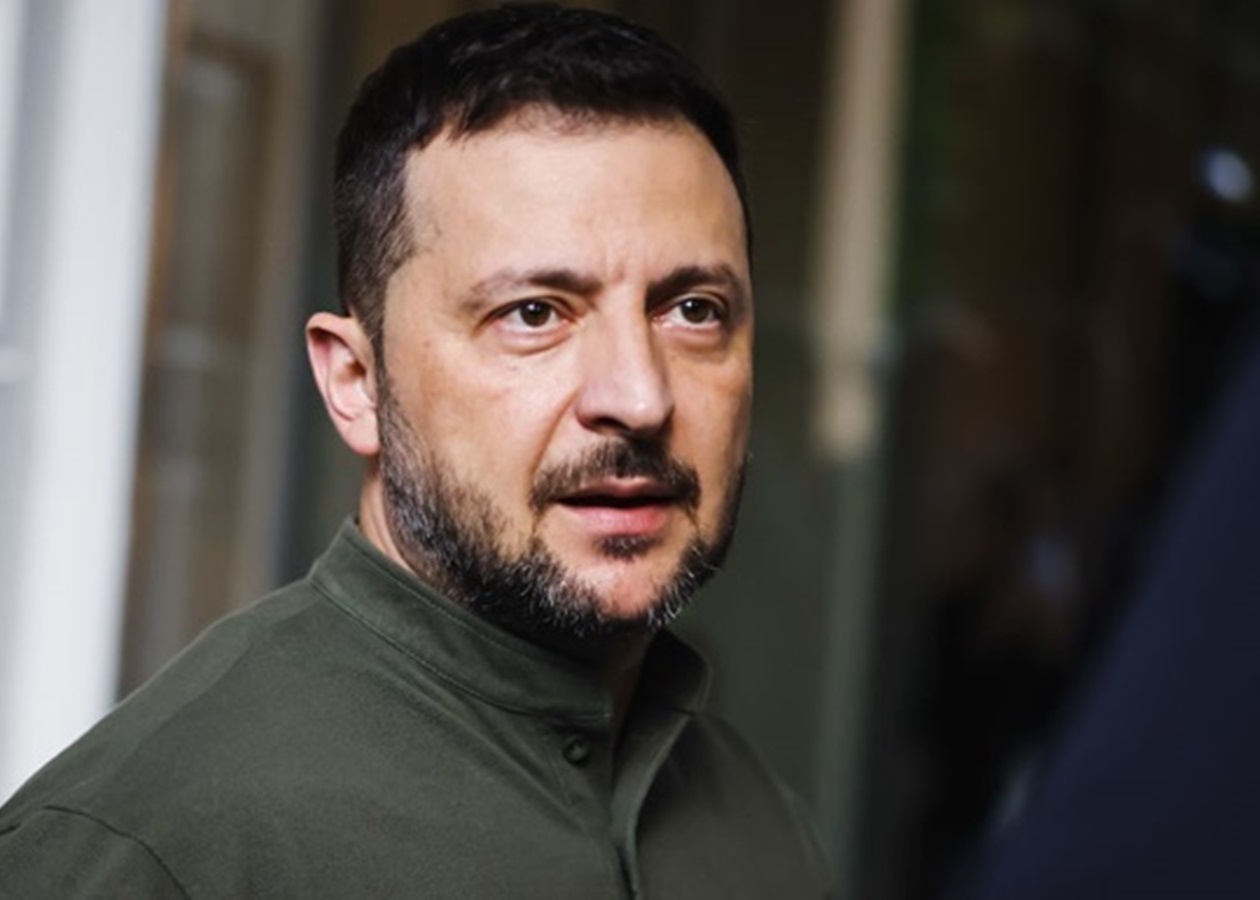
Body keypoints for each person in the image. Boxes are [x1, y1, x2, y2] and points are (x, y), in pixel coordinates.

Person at [0, 5, 832, 897]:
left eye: (694, 310)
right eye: (533, 314)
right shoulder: (155, 847)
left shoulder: (757, 823)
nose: (638, 397)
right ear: (357, 382)